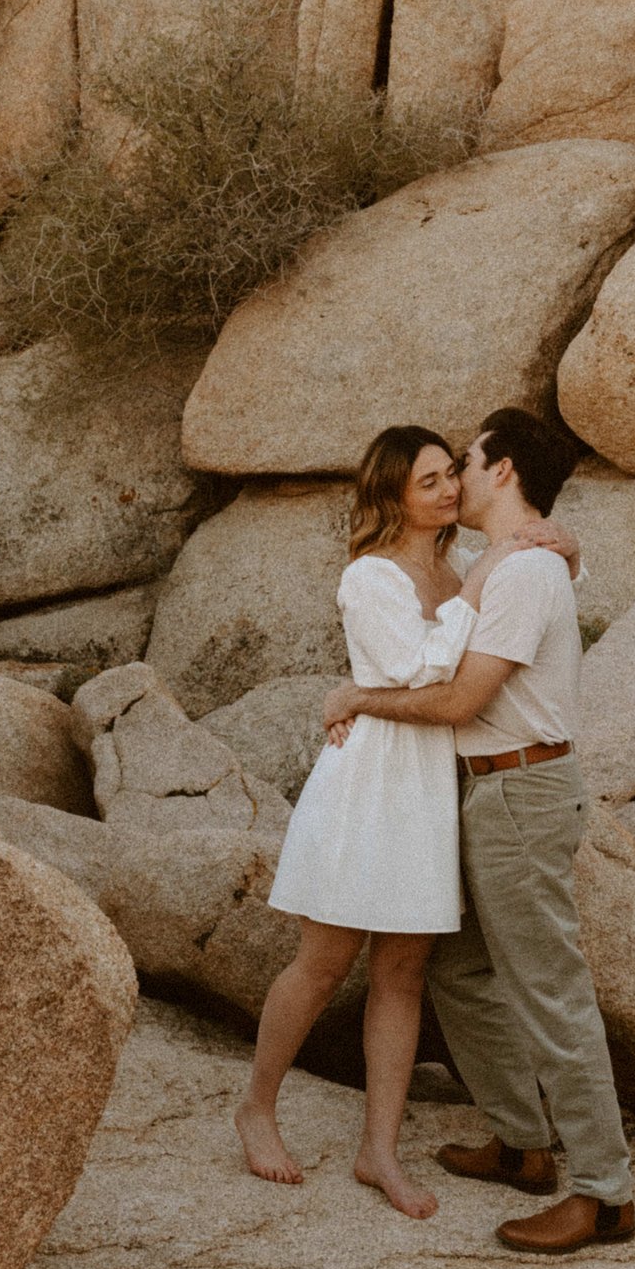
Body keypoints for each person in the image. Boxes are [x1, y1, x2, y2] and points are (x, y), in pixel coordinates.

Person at [320, 404, 635, 1260]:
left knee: (547, 986)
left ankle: (605, 1194)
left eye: (467, 460)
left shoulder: (524, 574)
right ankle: (523, 1141)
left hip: (522, 791)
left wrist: (357, 698)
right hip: (485, 790)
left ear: (503, 472)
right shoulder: (506, 563)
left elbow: (461, 701)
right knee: (459, 967)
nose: (454, 476)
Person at [234, 425, 474, 1218]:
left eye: (451, 476)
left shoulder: (452, 567)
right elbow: (418, 667)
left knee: (402, 972)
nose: (447, 490)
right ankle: (257, 1108)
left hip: (429, 782)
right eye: (429, 481)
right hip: (372, 777)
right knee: (325, 959)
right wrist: (482, 596)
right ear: (394, 494)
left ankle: (379, 1150)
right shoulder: (372, 576)